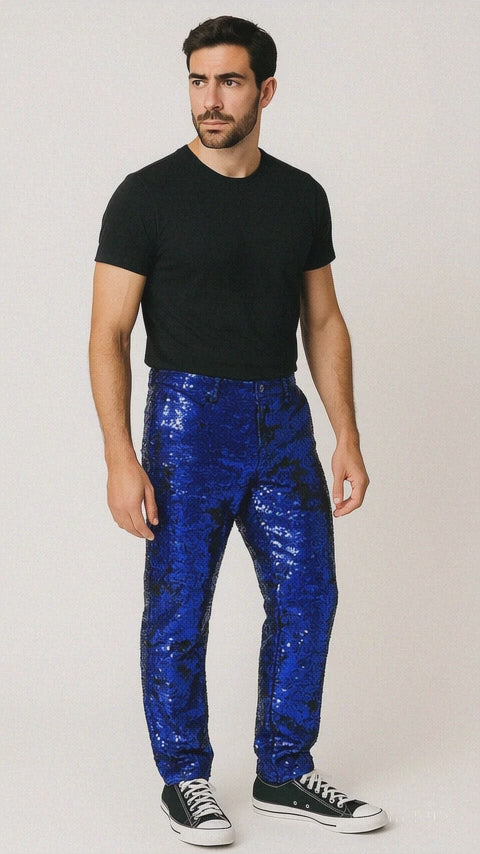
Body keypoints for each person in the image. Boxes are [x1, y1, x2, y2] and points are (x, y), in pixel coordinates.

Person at [89, 15, 388, 847]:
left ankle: (283, 769)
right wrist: (119, 457)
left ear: (265, 90)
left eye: (228, 81)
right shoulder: (146, 195)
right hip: (186, 420)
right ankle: (184, 776)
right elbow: (108, 333)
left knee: (308, 593)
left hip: (281, 416)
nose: (210, 99)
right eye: (198, 80)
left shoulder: (300, 196)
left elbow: (323, 321)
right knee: (180, 605)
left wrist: (347, 435)